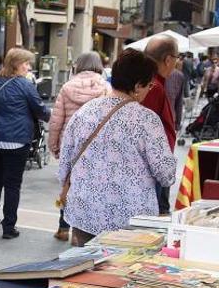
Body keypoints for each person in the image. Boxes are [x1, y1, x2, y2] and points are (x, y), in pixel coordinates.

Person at [58, 49, 176, 246]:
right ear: (138, 86)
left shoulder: (85, 111)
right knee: (123, 274)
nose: (149, 90)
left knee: (86, 271)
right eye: (149, 85)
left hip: (85, 213)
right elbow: (166, 175)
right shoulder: (146, 120)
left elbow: (64, 163)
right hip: (131, 220)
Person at [0, 48, 50, 240]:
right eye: (26, 63)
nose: (29, 67)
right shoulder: (25, 85)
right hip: (18, 141)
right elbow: (40, 110)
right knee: (13, 185)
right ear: (17, 64)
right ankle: (9, 227)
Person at [48, 51, 110, 242]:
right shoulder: (106, 88)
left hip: (71, 144)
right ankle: (82, 231)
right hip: (96, 146)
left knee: (69, 185)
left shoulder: (67, 87)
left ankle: (63, 227)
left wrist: (54, 146)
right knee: (91, 189)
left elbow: (56, 120)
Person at [142, 35, 180, 215]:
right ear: (167, 59)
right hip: (152, 166)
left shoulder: (152, 83)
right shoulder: (153, 86)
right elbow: (146, 131)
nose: (176, 63)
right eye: (176, 57)